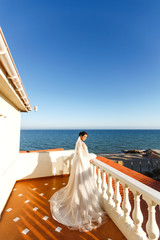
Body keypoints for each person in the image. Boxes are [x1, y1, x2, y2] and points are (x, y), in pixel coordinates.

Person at [50, 131, 108, 232]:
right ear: (81, 136)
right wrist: (91, 157)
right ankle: (82, 201)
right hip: (83, 165)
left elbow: (79, 155)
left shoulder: (78, 144)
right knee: (83, 182)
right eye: (84, 136)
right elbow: (84, 155)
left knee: (79, 182)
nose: (85, 138)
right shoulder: (82, 144)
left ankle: (79, 196)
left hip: (79, 165)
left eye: (86, 137)